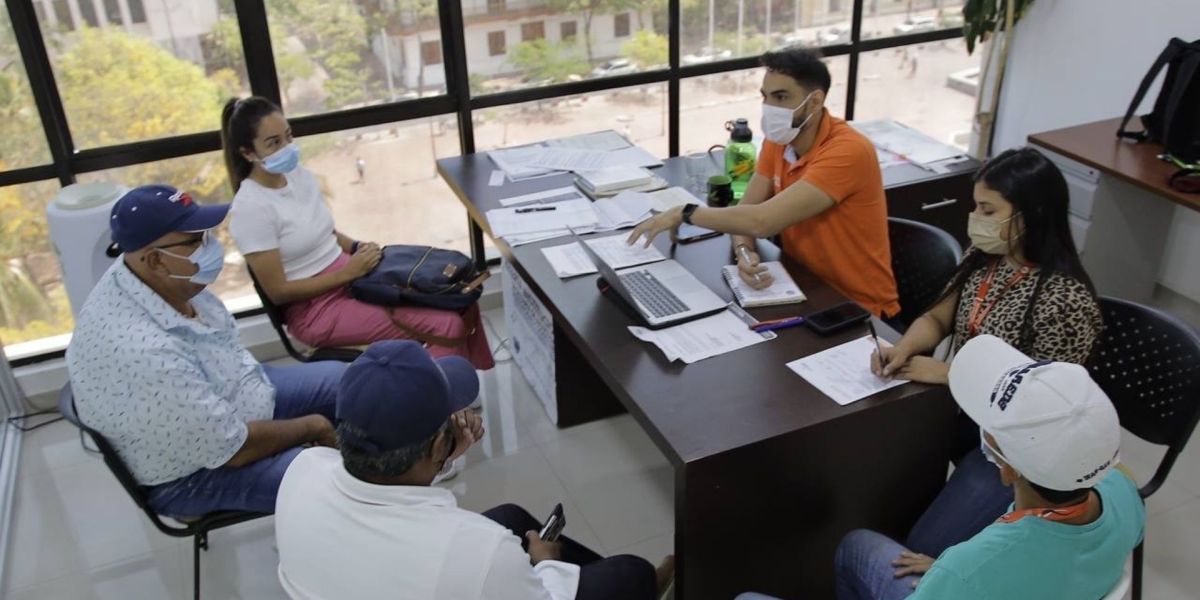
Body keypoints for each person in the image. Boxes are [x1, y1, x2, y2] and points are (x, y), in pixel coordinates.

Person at [274, 340, 673, 600]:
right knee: (629, 574)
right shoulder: (476, 554)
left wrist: (439, 458)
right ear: (434, 444)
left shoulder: (303, 470)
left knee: (512, 519)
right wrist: (546, 562)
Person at [871, 147, 1104, 558]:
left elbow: (1042, 401)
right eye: (976, 207)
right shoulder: (986, 258)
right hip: (962, 413)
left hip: (1014, 447)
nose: (976, 219)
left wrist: (948, 373)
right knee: (874, 470)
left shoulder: (1065, 299)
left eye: (988, 210)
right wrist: (904, 347)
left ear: (1029, 214)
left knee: (924, 545)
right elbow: (939, 318)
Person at [66, 185, 347, 518]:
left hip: (239, 392)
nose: (210, 246)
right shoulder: (144, 352)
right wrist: (313, 427)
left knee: (356, 383)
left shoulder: (149, 273)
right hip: (194, 473)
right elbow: (233, 449)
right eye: (194, 240)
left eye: (206, 234)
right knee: (340, 480)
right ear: (155, 259)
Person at [831, 335, 1144, 600]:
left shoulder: (971, 565)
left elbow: (970, 573)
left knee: (855, 546)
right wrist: (955, 572)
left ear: (1008, 471)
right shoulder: (1124, 492)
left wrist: (951, 574)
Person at [220, 96, 494, 369]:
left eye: (288, 137)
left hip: (352, 277)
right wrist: (348, 272)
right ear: (247, 153)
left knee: (458, 293)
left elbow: (324, 232)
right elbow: (278, 292)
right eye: (273, 143)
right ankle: (434, 402)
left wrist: (359, 248)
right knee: (444, 323)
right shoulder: (251, 210)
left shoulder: (298, 176)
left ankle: (461, 382)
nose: (287, 148)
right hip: (316, 309)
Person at [628, 47, 900, 318]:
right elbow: (746, 213)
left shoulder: (848, 152)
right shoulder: (780, 139)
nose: (770, 108)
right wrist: (744, 252)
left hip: (859, 307)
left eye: (781, 97)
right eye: (765, 96)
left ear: (815, 102)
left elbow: (762, 221)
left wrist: (684, 213)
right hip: (804, 287)